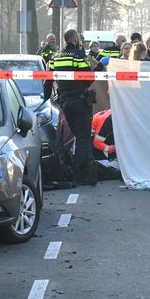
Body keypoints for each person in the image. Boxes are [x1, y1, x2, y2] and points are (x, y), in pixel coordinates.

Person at [44, 29, 97, 186]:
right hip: (80, 101)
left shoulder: (55, 57)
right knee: (83, 136)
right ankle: (80, 173)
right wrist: (99, 67)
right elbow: (88, 79)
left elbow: (48, 80)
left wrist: (46, 100)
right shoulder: (79, 55)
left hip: (64, 102)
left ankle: (75, 168)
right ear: (75, 39)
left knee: (71, 137)